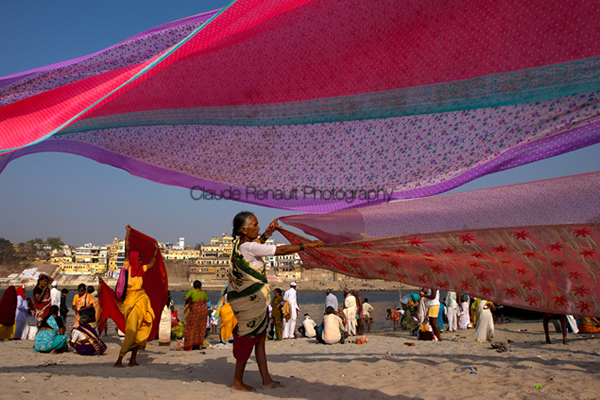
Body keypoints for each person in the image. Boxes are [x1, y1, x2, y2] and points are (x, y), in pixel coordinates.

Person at [228, 212, 323, 391]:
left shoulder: (239, 245)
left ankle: (266, 379)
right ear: (244, 229)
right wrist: (308, 245)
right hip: (251, 305)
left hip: (255, 303)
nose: (258, 227)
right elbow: (281, 250)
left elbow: (257, 245)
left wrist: (266, 234)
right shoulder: (248, 247)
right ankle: (237, 381)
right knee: (247, 339)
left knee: (260, 340)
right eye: (255, 225)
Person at [114, 225, 159, 367]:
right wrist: (127, 234)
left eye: (141, 259)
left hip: (142, 301)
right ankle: (119, 360)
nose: (140, 261)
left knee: (141, 328)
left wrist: (156, 252)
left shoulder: (141, 270)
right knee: (132, 331)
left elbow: (151, 263)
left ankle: (133, 360)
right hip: (131, 303)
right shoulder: (127, 266)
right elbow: (127, 250)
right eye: (138, 258)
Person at [183, 280, 209, 350]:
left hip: (195, 309)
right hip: (203, 309)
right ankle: (200, 346)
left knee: (191, 327)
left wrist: (191, 299)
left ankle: (190, 346)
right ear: (200, 286)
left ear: (194, 286)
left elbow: (185, 298)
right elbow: (207, 300)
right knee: (201, 328)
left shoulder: (192, 291)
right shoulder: (203, 292)